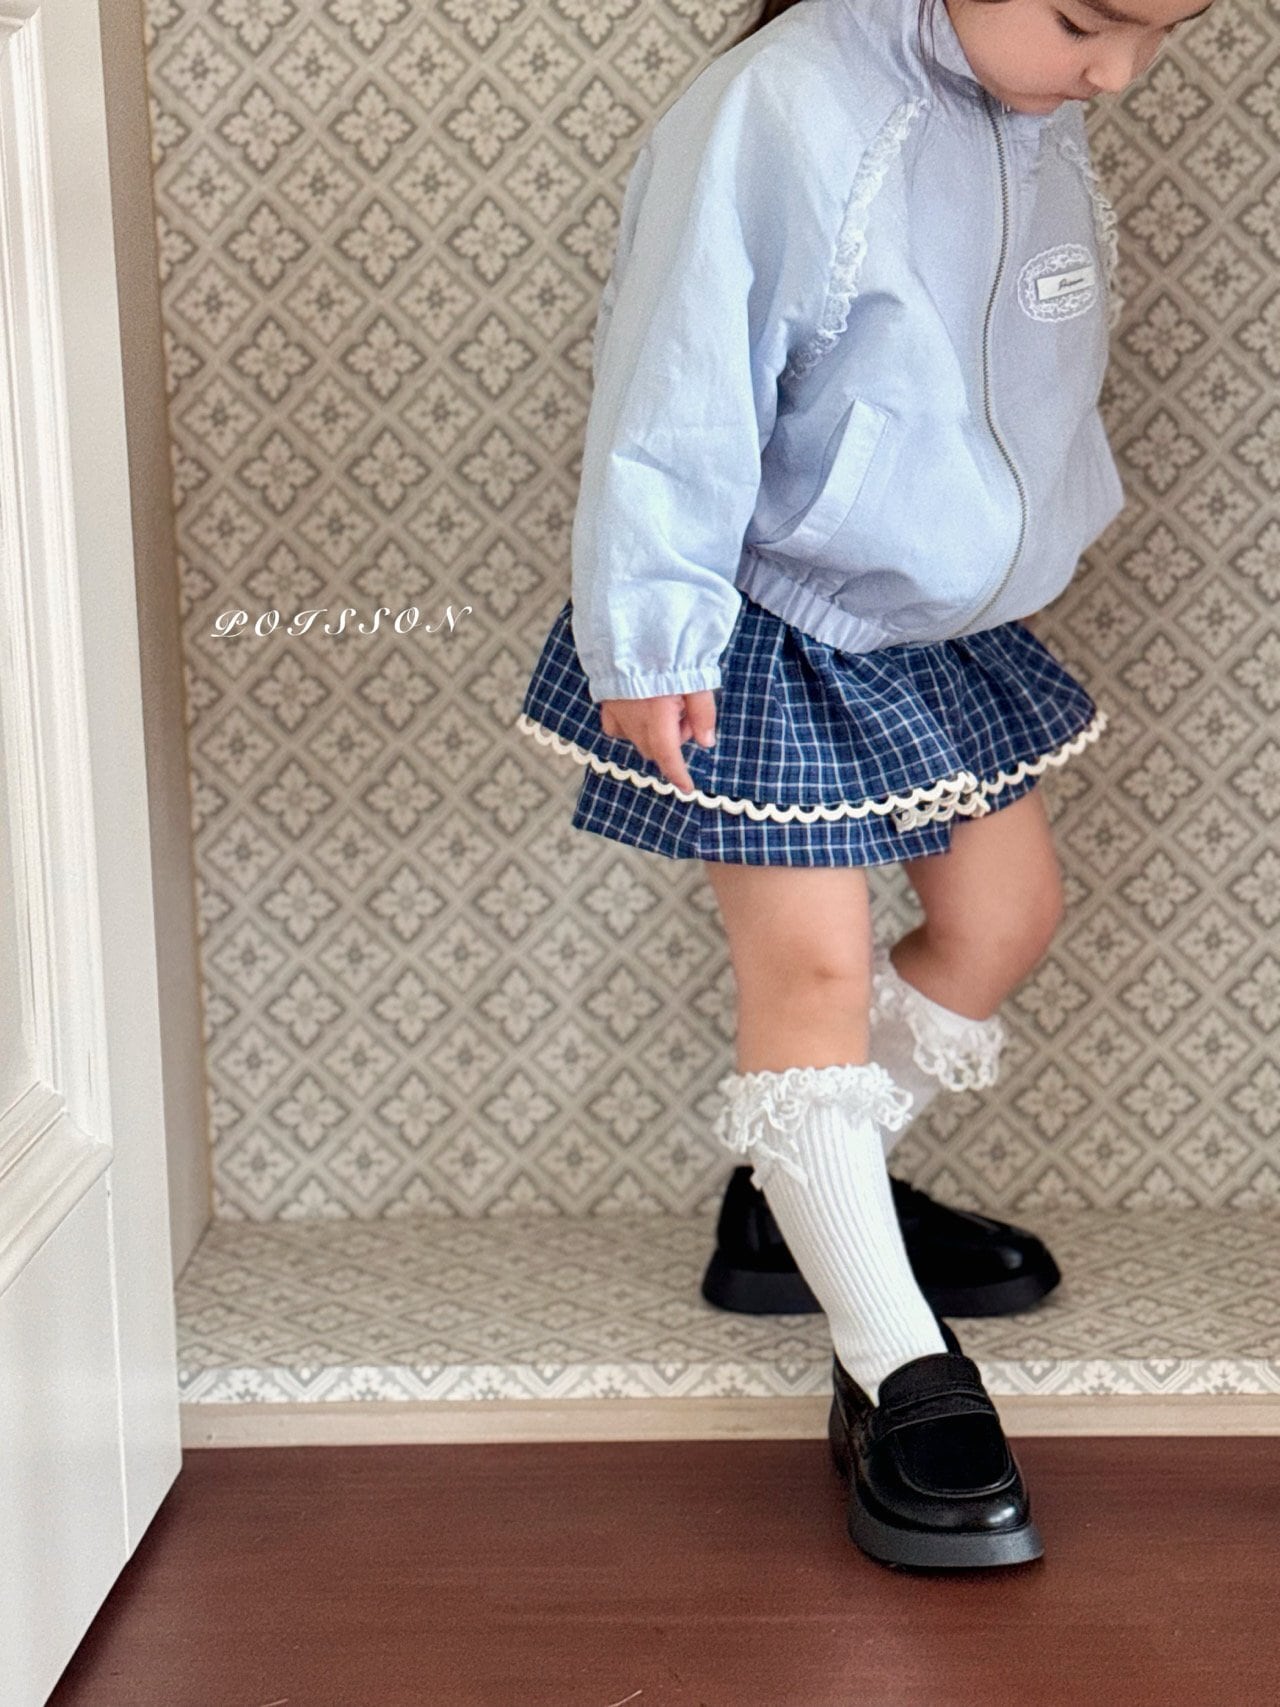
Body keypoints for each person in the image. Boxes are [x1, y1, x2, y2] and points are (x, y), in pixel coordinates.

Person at [515, 0, 1213, 1570]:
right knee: (814, 977)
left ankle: (798, 1201)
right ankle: (896, 1361)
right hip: (765, 621)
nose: (1115, 73)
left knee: (1005, 920)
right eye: (1089, 22)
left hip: (931, 628)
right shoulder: (779, 106)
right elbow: (680, 370)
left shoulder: (1026, 101)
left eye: (1164, 35)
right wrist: (654, 626)